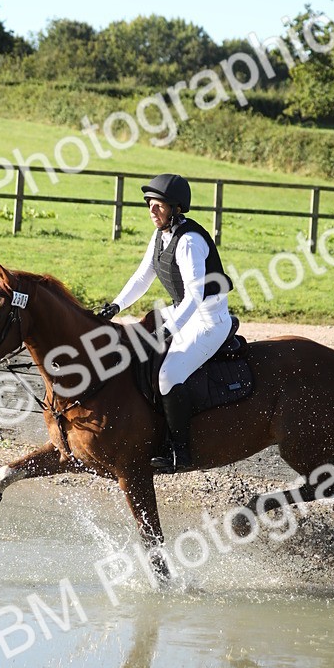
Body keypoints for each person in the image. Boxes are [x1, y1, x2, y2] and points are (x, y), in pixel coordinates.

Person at [98, 173, 233, 473]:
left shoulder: (189, 242)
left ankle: (179, 452)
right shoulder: (160, 235)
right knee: (131, 344)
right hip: (182, 311)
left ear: (176, 208)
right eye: (149, 204)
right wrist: (116, 305)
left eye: (158, 205)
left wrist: (169, 330)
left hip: (208, 319)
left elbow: (195, 295)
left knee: (168, 376)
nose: (152, 210)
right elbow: (142, 277)